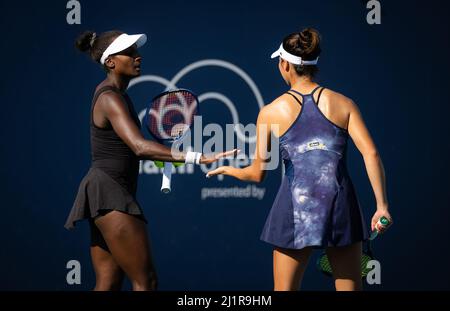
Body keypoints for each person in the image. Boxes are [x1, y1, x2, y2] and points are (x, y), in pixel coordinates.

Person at [207, 28, 392, 291]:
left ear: (285, 65)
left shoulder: (270, 112)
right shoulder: (344, 103)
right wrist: (381, 205)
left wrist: (228, 169)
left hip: (294, 210)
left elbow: (256, 174)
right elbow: (371, 153)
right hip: (341, 208)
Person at [65, 30, 237, 291]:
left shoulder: (115, 95)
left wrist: (168, 158)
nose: (138, 57)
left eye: (137, 52)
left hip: (102, 193)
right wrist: (197, 157)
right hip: (110, 193)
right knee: (146, 282)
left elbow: (138, 149)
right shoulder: (110, 97)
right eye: (130, 53)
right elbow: (140, 147)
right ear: (110, 62)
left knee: (108, 283)